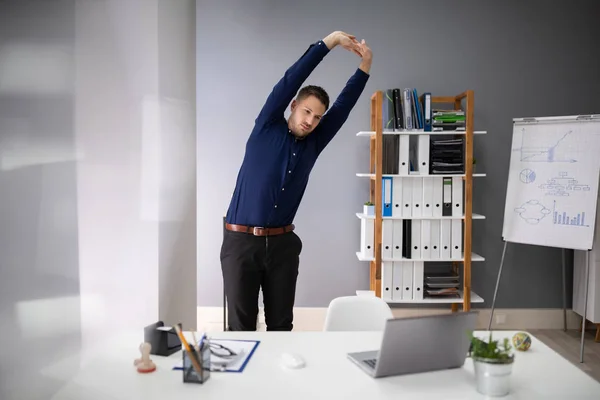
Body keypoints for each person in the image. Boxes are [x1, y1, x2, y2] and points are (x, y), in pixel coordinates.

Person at [221, 30, 372, 331]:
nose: (310, 121)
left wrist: (365, 65)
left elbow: (343, 107)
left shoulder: (313, 144)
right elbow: (293, 77)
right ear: (293, 106)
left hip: (282, 245)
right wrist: (328, 43)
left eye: (317, 117)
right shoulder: (266, 125)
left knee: (281, 327)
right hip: (241, 243)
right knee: (241, 329)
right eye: (306, 112)